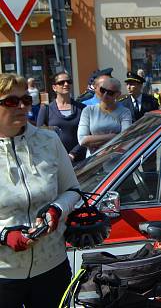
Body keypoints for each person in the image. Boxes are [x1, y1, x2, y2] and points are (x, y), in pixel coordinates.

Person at [0, 73, 80, 307]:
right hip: (4, 274)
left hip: (52, 266)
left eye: (26, 100)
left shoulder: (48, 140)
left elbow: (72, 190)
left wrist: (56, 210)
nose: (22, 107)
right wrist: (5, 235)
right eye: (12, 101)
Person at [36, 71, 86, 163]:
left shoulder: (82, 108)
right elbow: (39, 135)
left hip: (79, 160)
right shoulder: (46, 109)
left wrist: (73, 154)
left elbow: (87, 135)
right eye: (61, 82)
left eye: (68, 81)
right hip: (54, 160)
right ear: (54, 87)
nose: (66, 84)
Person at [77, 77, 131, 156]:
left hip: (115, 159)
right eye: (103, 90)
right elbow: (82, 140)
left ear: (118, 94)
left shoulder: (125, 112)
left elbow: (124, 138)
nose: (105, 95)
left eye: (110, 93)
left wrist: (93, 141)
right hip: (93, 160)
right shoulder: (88, 110)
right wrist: (111, 136)